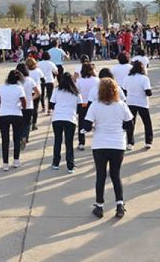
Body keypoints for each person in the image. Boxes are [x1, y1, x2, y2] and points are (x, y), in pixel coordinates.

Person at [82, 78, 134, 219]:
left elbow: (86, 126)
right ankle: (119, 205)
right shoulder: (121, 105)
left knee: (101, 175)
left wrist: (94, 126)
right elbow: (130, 124)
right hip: (117, 144)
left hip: (100, 144)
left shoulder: (95, 106)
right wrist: (119, 128)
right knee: (116, 175)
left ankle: (99, 206)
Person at [49, 73, 83, 172]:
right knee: (69, 143)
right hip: (70, 118)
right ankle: (70, 166)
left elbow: (51, 104)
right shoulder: (76, 92)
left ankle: (56, 163)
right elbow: (80, 107)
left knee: (57, 141)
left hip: (57, 118)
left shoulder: (56, 90)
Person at [0, 70, 27, 171]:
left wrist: (0, 110)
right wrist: (21, 107)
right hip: (16, 114)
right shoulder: (19, 88)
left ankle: (5, 163)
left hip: (4, 114)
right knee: (16, 137)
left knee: (5, 139)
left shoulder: (2, 87)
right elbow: (24, 102)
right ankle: (16, 160)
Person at [123, 61, 153, 150]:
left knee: (131, 123)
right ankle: (148, 142)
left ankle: (130, 143)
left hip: (130, 102)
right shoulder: (144, 78)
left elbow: (124, 91)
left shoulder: (127, 78)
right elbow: (148, 92)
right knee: (147, 123)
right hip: (142, 102)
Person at [75, 63, 100, 150]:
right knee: (98, 123)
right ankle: (98, 142)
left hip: (83, 104)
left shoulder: (79, 81)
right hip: (94, 104)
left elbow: (76, 92)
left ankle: (81, 143)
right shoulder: (97, 80)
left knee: (81, 123)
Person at [16, 63, 40, 150]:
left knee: (19, 124)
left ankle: (19, 138)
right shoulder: (30, 80)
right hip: (29, 105)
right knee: (27, 123)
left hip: (18, 106)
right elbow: (38, 93)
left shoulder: (16, 81)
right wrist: (31, 98)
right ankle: (25, 137)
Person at [26, 57, 45, 131]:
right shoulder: (38, 71)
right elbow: (43, 80)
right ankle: (34, 123)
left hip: (27, 91)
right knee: (35, 108)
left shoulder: (26, 71)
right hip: (37, 91)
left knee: (28, 107)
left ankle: (29, 121)